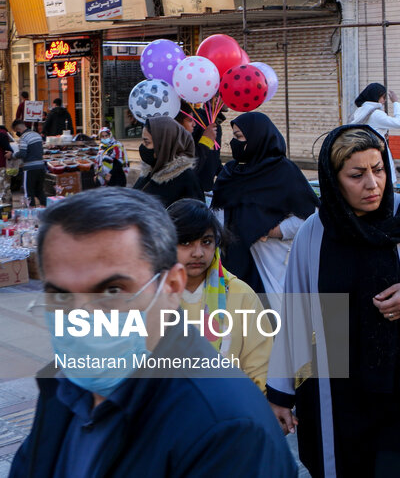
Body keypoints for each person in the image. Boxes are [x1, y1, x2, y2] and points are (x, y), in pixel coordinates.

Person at [9, 188, 297, 478]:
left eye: (112, 291)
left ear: (171, 286)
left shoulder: (228, 429)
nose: (82, 318)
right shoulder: (62, 390)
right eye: (60, 296)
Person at [266, 125, 400, 477]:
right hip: (339, 396)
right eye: (356, 174)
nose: (372, 184)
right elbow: (296, 317)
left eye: (378, 170)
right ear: (333, 180)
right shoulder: (315, 232)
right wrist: (280, 393)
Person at [167, 198, 274, 391]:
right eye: (185, 242)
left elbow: (260, 371)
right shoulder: (148, 297)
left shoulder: (240, 294)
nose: (198, 253)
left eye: (206, 242)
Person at [212, 112, 319, 298]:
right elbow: (217, 211)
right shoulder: (231, 172)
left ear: (257, 137)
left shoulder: (283, 172)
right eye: (234, 137)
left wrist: (272, 231)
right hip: (231, 262)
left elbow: (310, 216)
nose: (234, 143)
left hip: (271, 263)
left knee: (269, 320)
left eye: (239, 137)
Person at [133, 116, 205, 207]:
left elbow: (195, 218)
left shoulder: (187, 180)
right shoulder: (150, 171)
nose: (142, 146)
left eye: (147, 142)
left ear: (163, 145)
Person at [349, 82, 400, 183]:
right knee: (383, 181)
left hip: (364, 152)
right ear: (376, 97)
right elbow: (399, 123)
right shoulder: (376, 114)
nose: (384, 101)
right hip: (377, 152)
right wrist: (396, 102)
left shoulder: (360, 111)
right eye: (383, 97)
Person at [177, 103, 222, 193]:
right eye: (190, 120)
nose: (194, 124)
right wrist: (205, 142)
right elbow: (190, 167)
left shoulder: (215, 126)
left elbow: (214, 161)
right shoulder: (177, 146)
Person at [10, 119, 46, 207]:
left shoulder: (24, 137)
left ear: (17, 129)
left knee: (28, 192)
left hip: (30, 168)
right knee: (40, 191)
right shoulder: (37, 135)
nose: (17, 134)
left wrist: (12, 155)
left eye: (16, 132)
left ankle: (31, 212)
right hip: (41, 166)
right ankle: (44, 209)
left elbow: (22, 153)